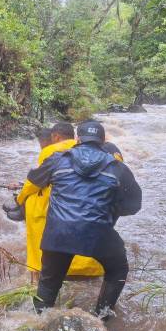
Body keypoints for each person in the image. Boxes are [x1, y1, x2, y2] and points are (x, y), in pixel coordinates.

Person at [27, 121, 141, 320]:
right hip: (98, 233)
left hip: (58, 233)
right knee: (118, 269)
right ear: (103, 141)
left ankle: (39, 320)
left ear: (77, 139)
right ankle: (101, 317)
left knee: (49, 280)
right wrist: (109, 209)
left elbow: (35, 180)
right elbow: (133, 205)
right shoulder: (118, 167)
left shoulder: (57, 159)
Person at [11, 122, 105, 277]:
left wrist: (20, 200)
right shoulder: (102, 154)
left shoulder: (51, 152)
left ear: (55, 136)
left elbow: (35, 182)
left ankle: (39, 272)